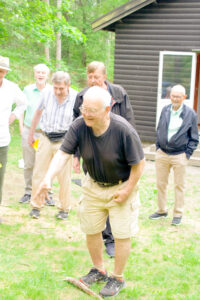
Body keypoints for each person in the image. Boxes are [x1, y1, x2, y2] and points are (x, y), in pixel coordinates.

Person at [33, 86, 145, 298]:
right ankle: (99, 269)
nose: (86, 113)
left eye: (92, 110)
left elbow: (139, 164)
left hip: (121, 187)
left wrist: (127, 190)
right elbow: (63, 154)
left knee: (121, 234)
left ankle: (117, 278)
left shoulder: (124, 130)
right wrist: (47, 178)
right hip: (93, 185)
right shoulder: (79, 126)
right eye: (84, 108)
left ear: (107, 109)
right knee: (91, 229)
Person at [73, 61, 135, 258]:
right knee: (96, 193)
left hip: (117, 157)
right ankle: (102, 235)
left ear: (104, 77)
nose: (92, 80)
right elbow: (75, 126)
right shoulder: (81, 96)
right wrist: (76, 155)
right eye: (89, 76)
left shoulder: (118, 93)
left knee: (114, 196)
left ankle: (112, 239)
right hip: (92, 155)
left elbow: (129, 121)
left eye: (96, 77)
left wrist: (130, 151)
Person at [28, 71, 78, 219]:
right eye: (55, 87)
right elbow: (37, 113)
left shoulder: (76, 97)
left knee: (64, 177)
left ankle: (64, 208)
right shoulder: (47, 93)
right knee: (39, 173)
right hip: (45, 137)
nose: (57, 91)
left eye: (61, 89)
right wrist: (31, 133)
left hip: (65, 140)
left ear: (68, 86)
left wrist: (77, 148)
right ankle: (36, 206)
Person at [149, 84, 199, 226]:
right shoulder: (165, 110)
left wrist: (187, 154)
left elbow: (194, 137)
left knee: (179, 186)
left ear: (184, 97)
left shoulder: (191, 114)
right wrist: (158, 146)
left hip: (180, 155)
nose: (175, 99)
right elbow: (159, 129)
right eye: (173, 96)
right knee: (161, 184)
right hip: (162, 154)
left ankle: (178, 213)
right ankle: (161, 210)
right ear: (169, 96)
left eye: (178, 96)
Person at [19, 64, 55, 205]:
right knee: (29, 163)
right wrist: (22, 127)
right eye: (38, 72)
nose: (40, 75)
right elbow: (21, 109)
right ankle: (28, 192)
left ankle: (48, 193)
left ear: (47, 75)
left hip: (46, 133)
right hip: (29, 131)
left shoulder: (53, 90)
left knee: (47, 165)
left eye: (43, 73)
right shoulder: (27, 90)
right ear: (34, 74)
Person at [0, 56, 27, 205]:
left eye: (2, 71)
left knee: (0, 176)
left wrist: (14, 115)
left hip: (2, 140)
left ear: (5, 72)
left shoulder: (11, 88)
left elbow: (23, 103)